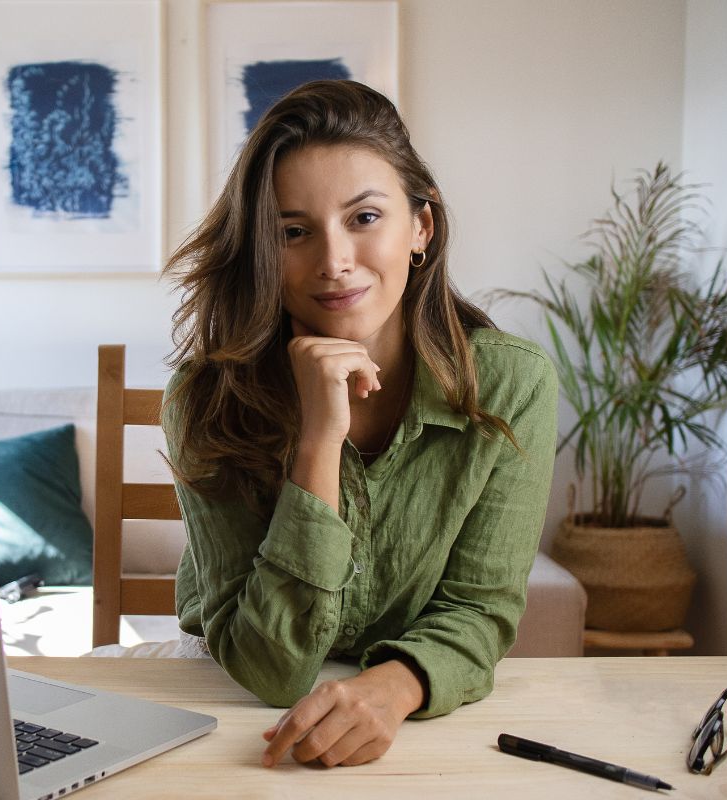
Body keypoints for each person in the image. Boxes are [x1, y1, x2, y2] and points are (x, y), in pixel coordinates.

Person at [161, 80, 558, 769]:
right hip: (234, 720)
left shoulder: (511, 385)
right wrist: (319, 440)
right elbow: (269, 669)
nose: (334, 261)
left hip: (422, 726)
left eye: (364, 218)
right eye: (293, 232)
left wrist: (394, 688)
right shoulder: (205, 399)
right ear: (262, 248)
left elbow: (479, 611)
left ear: (421, 229)